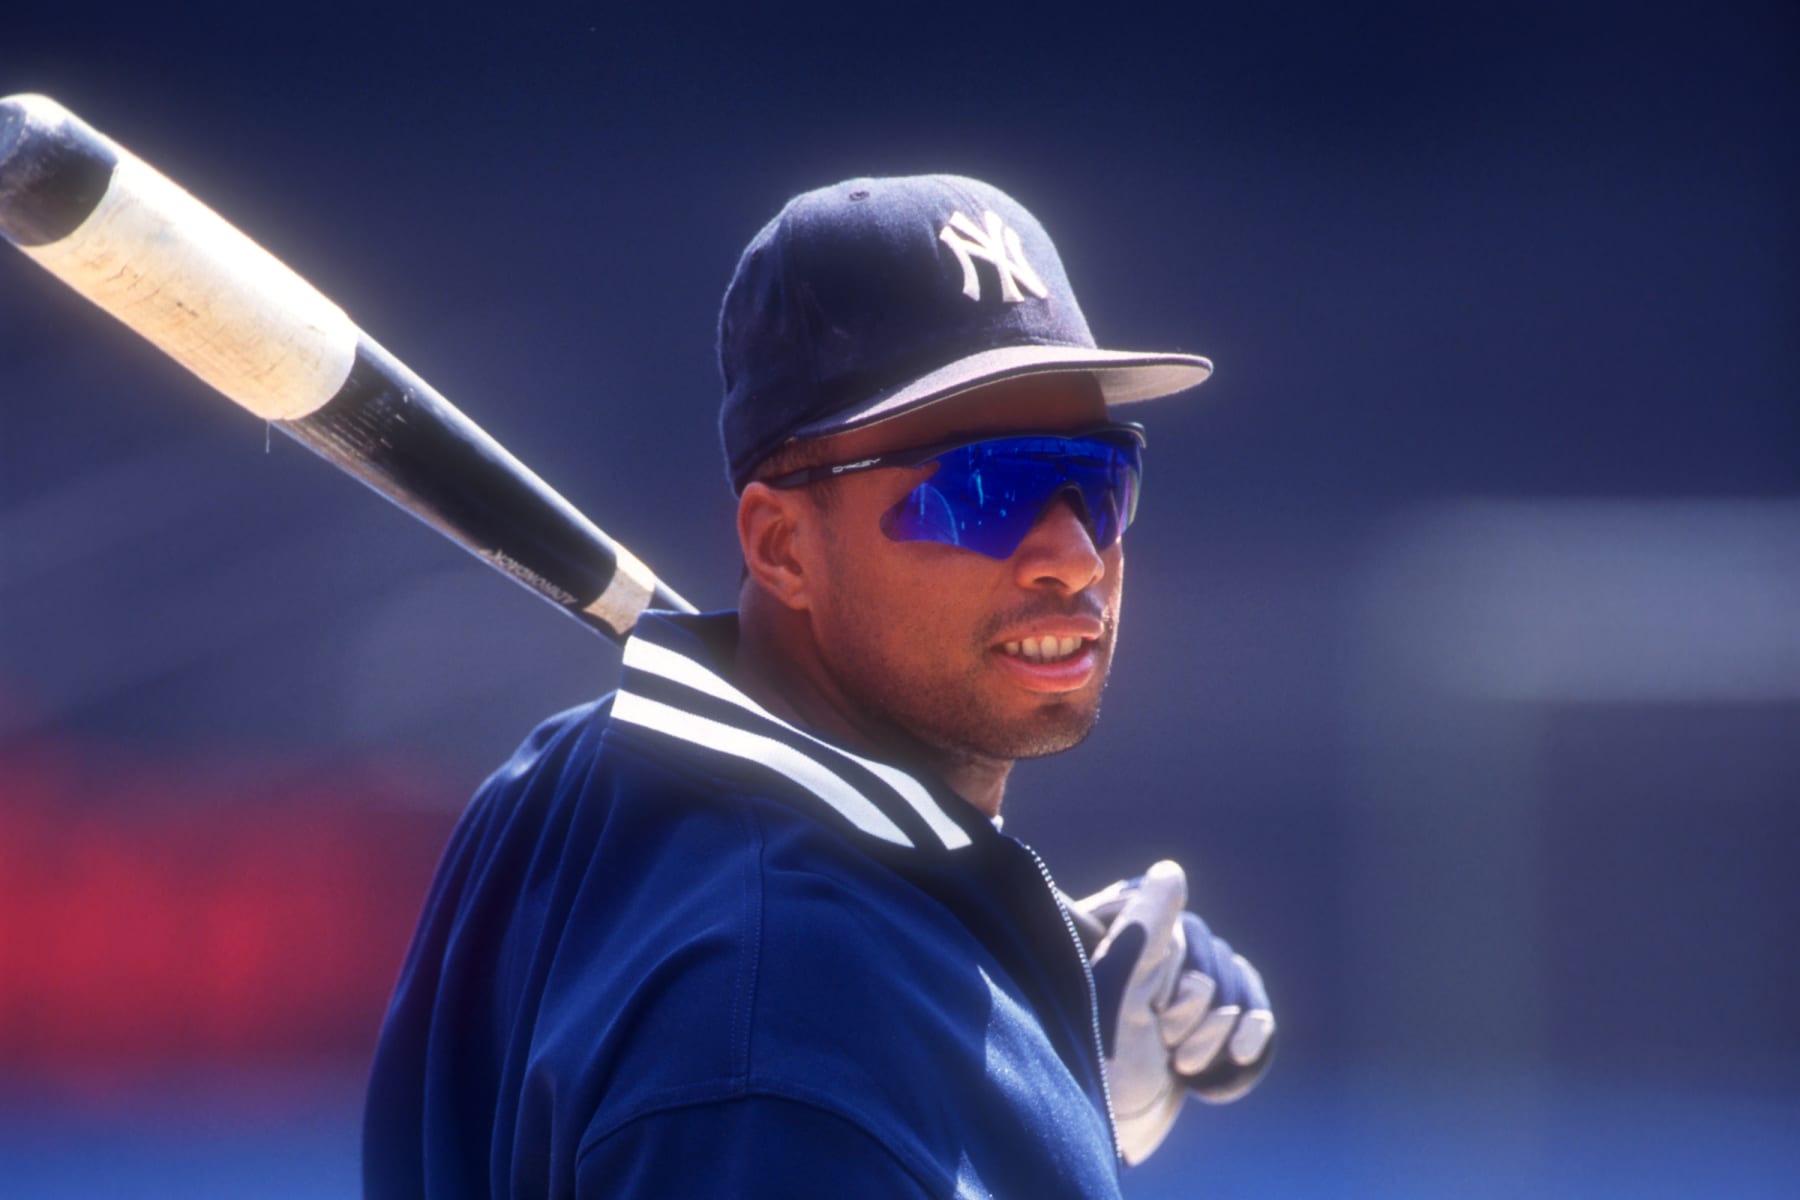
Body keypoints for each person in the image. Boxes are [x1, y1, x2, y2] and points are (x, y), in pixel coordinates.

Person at [363, 174, 1275, 1198]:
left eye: (1096, 482)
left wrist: (1023, 1029)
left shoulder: (567, 778)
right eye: (983, 491)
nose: (1072, 557)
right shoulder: (785, 1050)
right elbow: (782, 1074)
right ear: (782, 546)